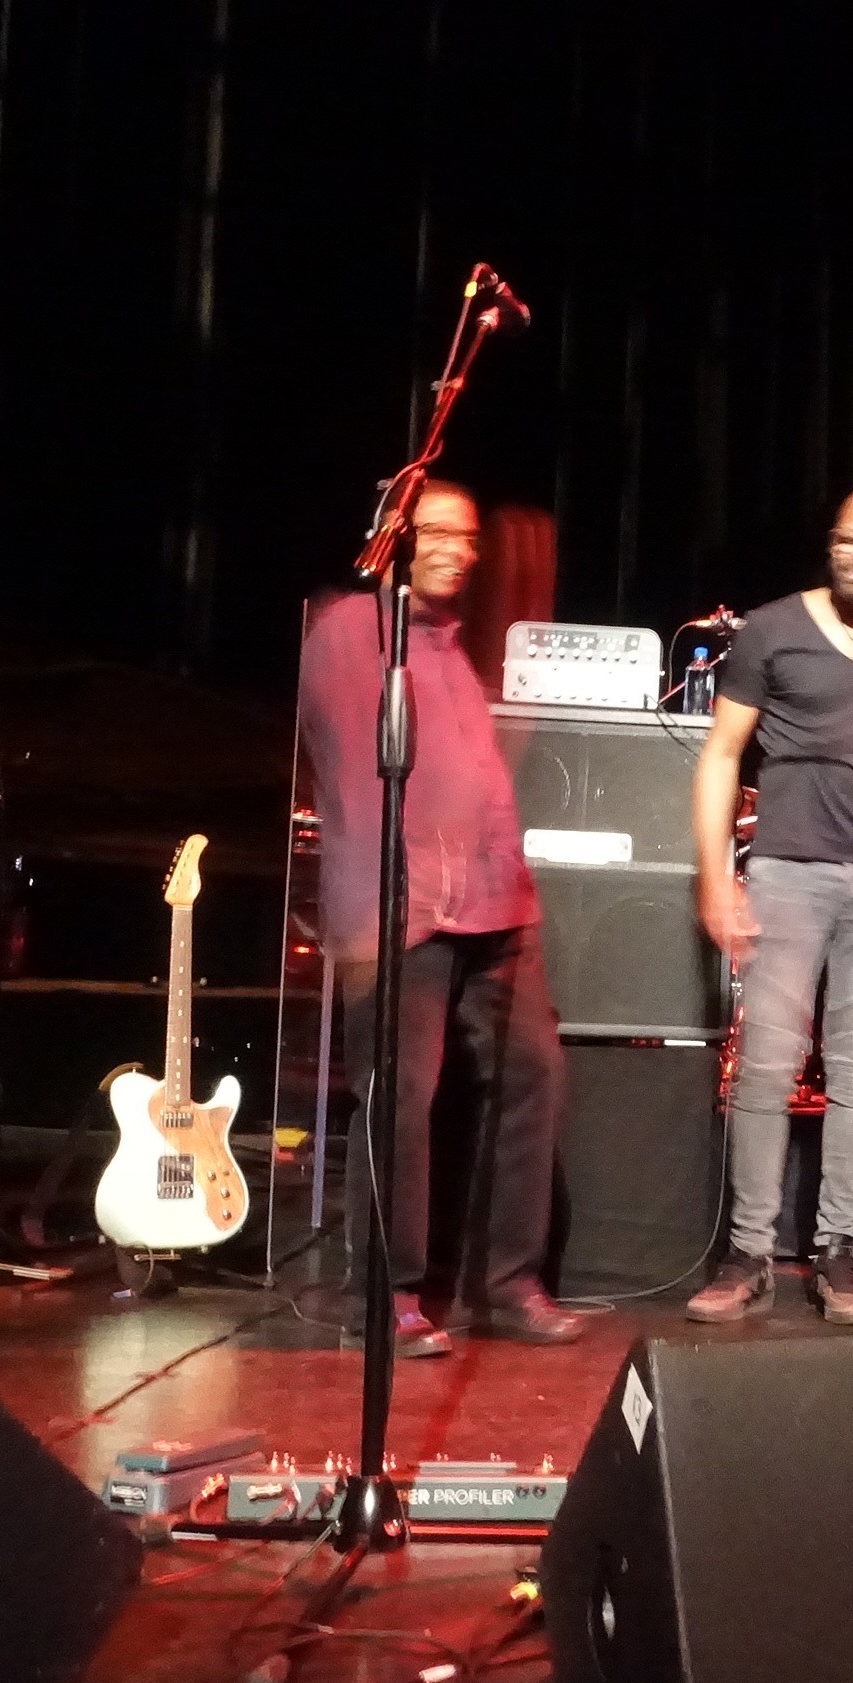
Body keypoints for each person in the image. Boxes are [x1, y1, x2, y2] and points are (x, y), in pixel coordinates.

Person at [297, 480, 583, 1356]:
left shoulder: (452, 649)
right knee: (399, 1099)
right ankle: (387, 1297)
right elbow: (352, 776)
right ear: (396, 536)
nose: (461, 550)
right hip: (402, 906)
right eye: (439, 534)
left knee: (533, 1075)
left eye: (468, 537)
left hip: (494, 901)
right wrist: (373, 909)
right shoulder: (352, 632)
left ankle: (510, 1284)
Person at [684, 487, 853, 1325]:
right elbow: (722, 754)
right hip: (787, 872)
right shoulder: (772, 629)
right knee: (765, 1067)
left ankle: (836, 1250)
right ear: (830, 543)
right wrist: (714, 876)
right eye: (848, 540)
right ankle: (749, 1252)